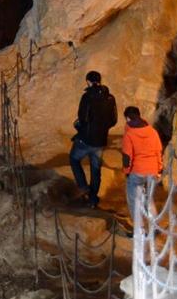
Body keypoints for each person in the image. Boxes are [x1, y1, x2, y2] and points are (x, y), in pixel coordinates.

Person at [69, 70, 117, 208]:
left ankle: (83, 186)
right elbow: (113, 120)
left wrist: (79, 125)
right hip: (100, 141)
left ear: (88, 81)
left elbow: (83, 118)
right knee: (95, 170)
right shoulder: (110, 98)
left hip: (86, 139)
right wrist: (103, 128)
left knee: (74, 159)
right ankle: (92, 199)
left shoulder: (87, 97)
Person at [121, 105, 164, 218]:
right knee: (149, 200)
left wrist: (127, 172)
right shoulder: (152, 132)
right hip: (153, 170)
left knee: (133, 200)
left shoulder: (129, 134)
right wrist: (159, 169)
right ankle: (154, 228)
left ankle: (139, 230)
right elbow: (158, 152)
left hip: (137, 171)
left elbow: (127, 157)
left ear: (127, 118)